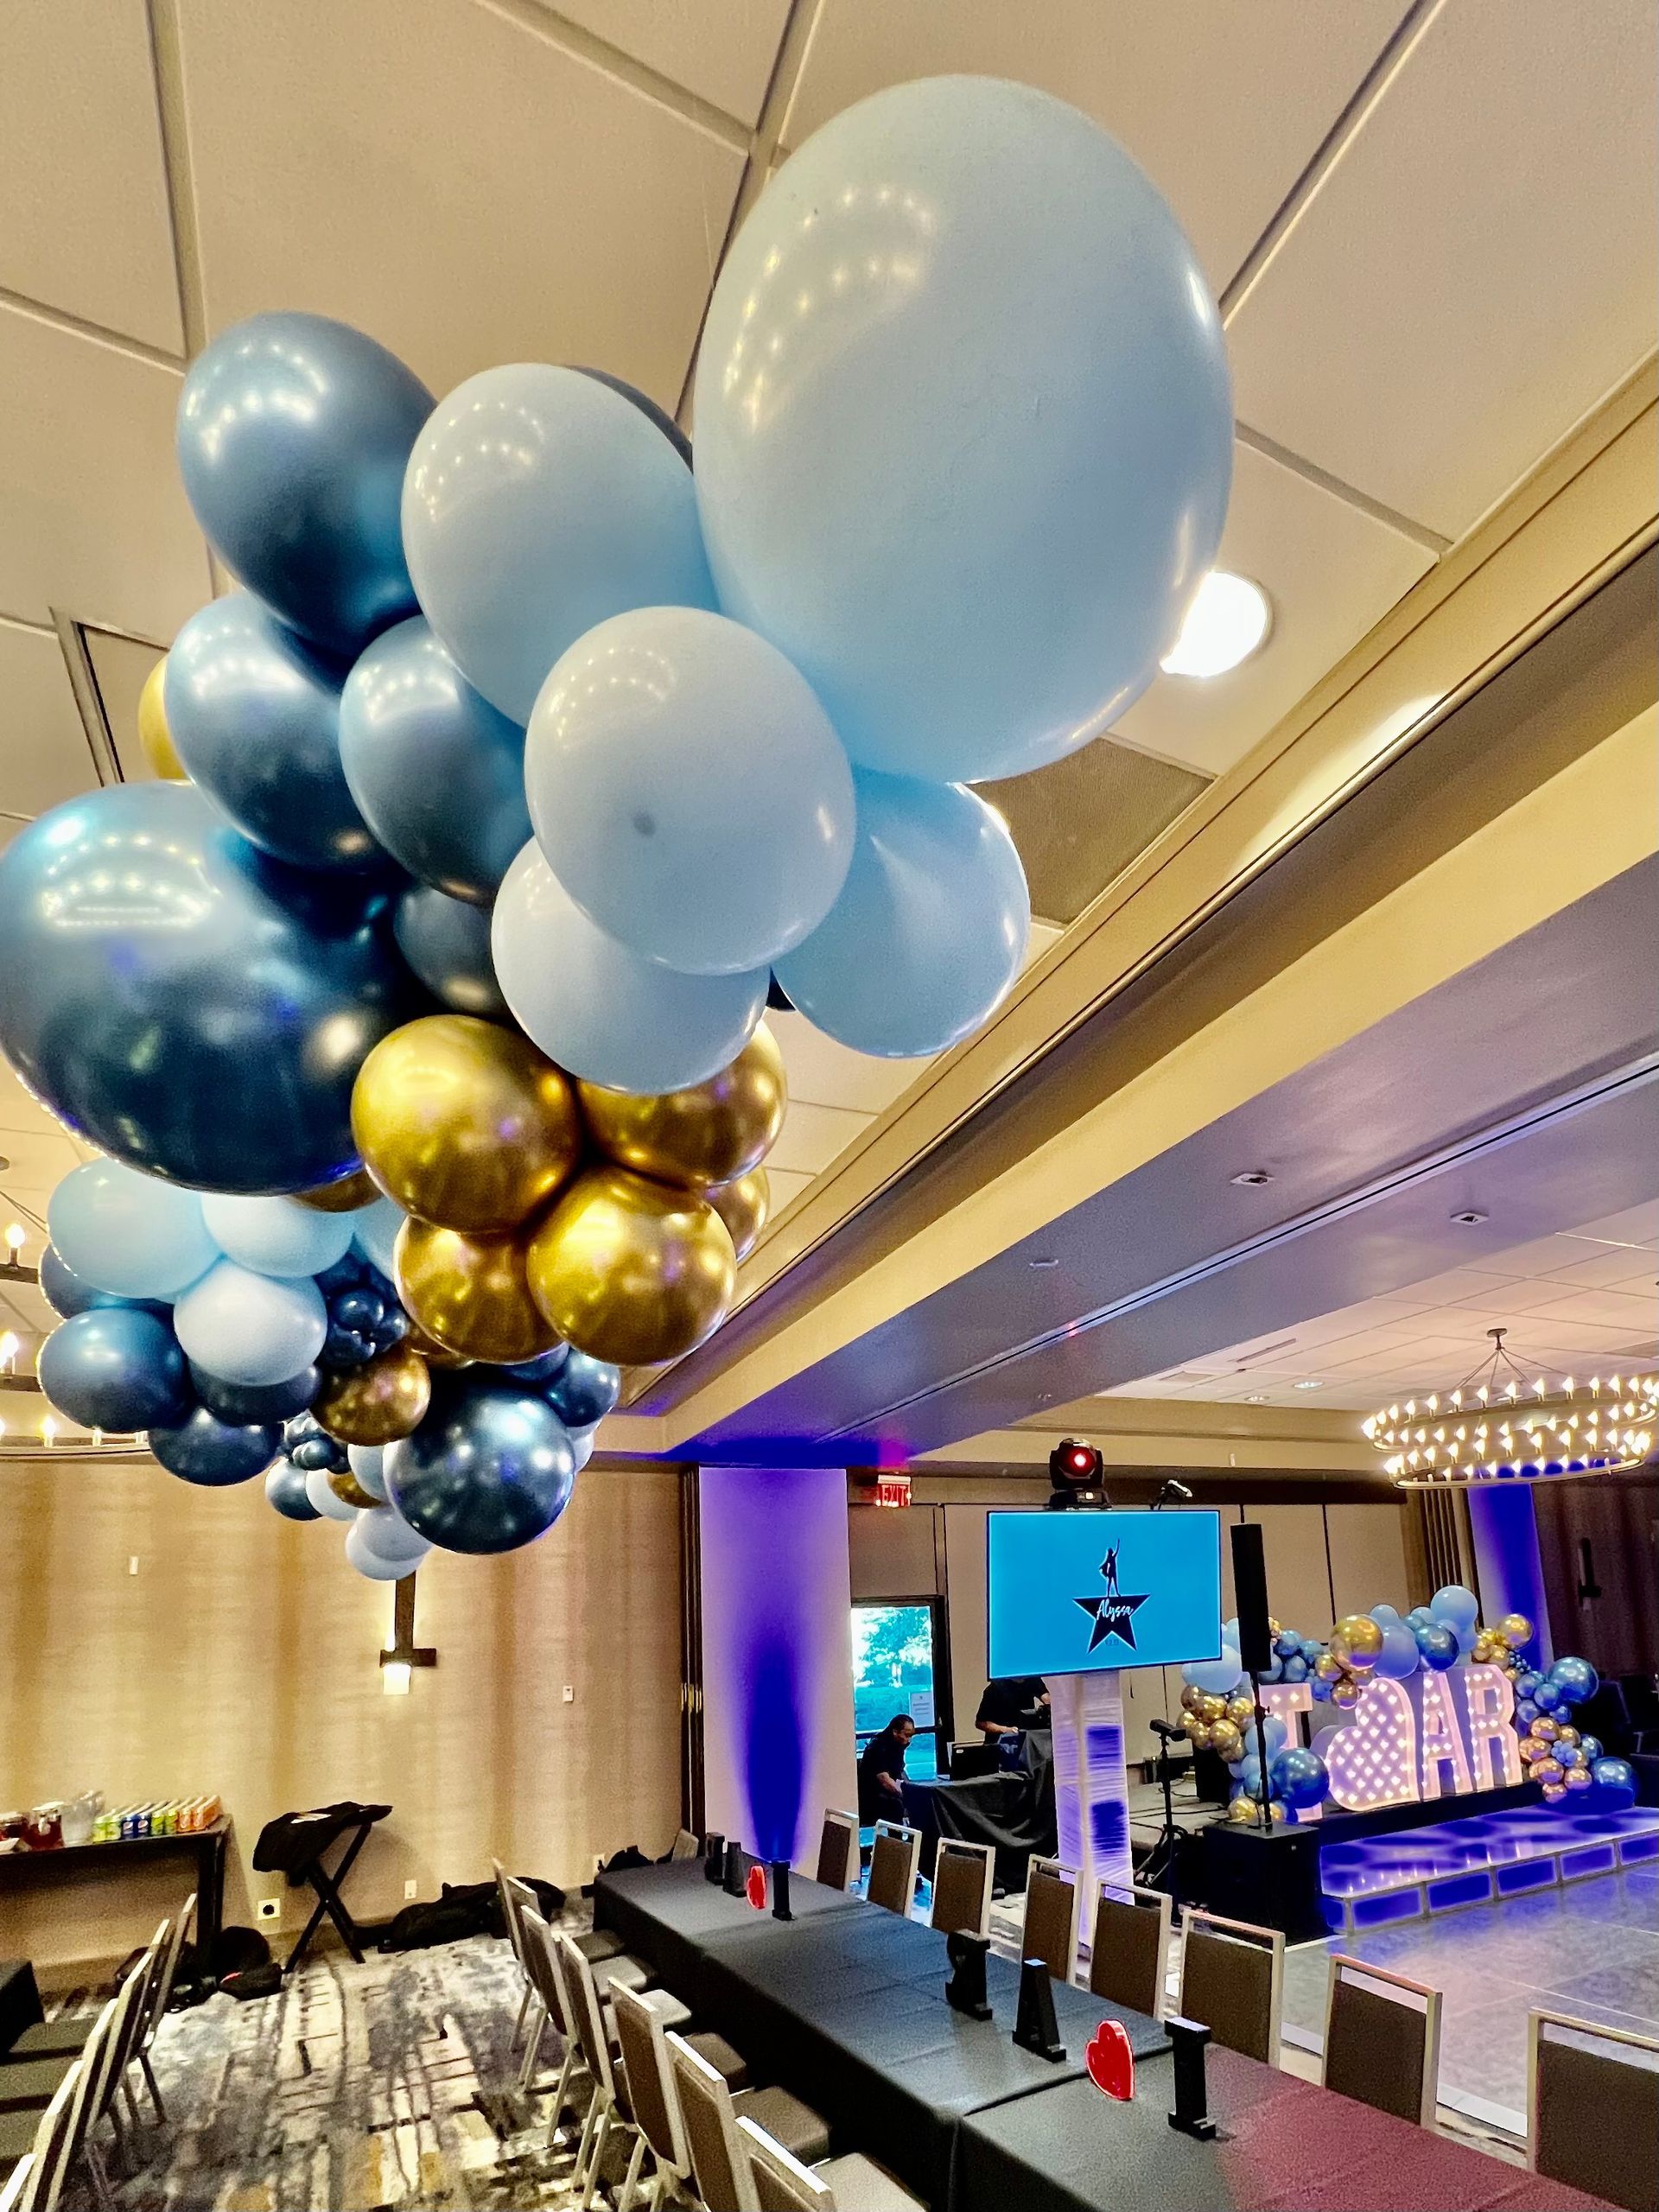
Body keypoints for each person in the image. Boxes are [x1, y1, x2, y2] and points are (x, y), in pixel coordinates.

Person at [858, 1713, 916, 1823]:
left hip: (886, 1790)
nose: (909, 1740)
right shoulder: (878, 1746)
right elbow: (884, 1780)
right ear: (895, 1732)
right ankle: (897, 1834)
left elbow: (899, 1772)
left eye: (911, 1736)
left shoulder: (898, 1746)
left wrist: (911, 1789)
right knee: (896, 1805)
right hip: (872, 1795)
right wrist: (905, 1794)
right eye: (907, 1735)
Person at [975, 1675, 1049, 1741]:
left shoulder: (1032, 1680)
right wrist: (1006, 1730)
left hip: (1025, 1738)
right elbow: (980, 1723)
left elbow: (1047, 1699)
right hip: (1000, 1741)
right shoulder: (995, 1687)